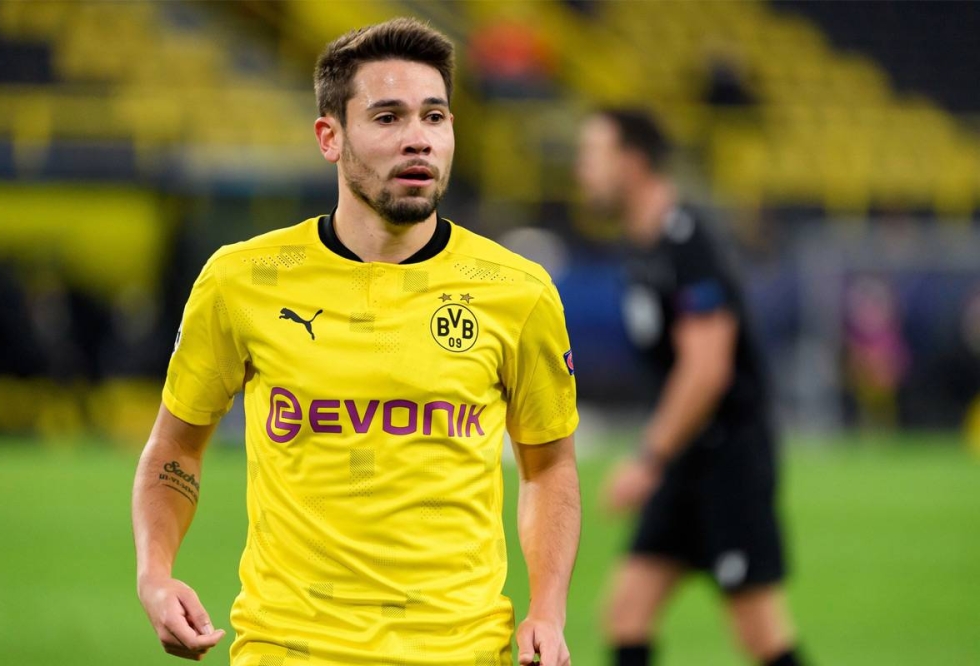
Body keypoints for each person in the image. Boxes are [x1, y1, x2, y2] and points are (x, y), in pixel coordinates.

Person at [132, 18, 580, 666]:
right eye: (388, 117)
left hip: (461, 652)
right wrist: (156, 574)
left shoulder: (518, 291)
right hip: (288, 650)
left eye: (434, 117)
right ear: (330, 136)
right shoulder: (241, 281)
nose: (418, 139)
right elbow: (175, 448)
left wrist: (547, 611)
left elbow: (549, 466)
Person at [574, 109, 803, 666]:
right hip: (686, 460)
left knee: (760, 631)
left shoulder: (688, 241)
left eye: (593, 155)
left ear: (632, 162)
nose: (582, 170)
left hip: (727, 459)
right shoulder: (644, 244)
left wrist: (648, 459)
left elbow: (707, 368)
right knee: (627, 612)